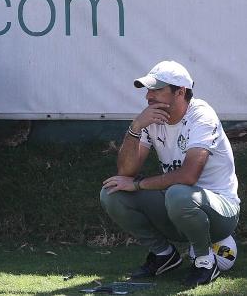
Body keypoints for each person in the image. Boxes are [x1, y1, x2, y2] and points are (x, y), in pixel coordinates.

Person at [100, 60, 240, 287]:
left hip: (221, 213)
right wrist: (135, 127)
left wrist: (138, 185)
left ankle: (205, 261)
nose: (148, 96)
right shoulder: (151, 117)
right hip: (177, 206)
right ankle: (164, 255)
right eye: (148, 90)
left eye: (157, 90)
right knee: (112, 193)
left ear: (180, 92)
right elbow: (126, 171)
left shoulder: (202, 115)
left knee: (178, 193)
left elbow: (188, 176)